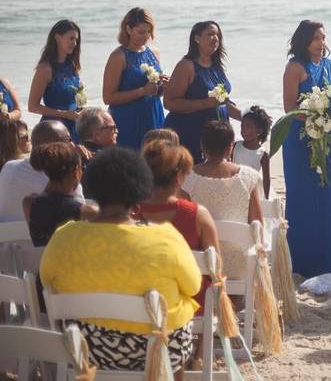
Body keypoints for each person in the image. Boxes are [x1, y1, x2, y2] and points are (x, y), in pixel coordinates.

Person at [39, 147, 201, 377]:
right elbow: (193, 287)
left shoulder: (64, 237)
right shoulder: (165, 238)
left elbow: (47, 281)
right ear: (140, 189)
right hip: (156, 350)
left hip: (89, 349)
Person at [281, 20, 331, 277]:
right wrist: (315, 117)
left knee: (328, 193)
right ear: (304, 40)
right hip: (300, 140)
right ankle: (303, 261)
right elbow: (289, 107)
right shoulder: (295, 68)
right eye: (316, 38)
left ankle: (329, 257)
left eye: (323, 37)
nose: (321, 43)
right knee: (304, 195)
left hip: (329, 139)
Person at [138, 139, 219, 315]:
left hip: (140, 306)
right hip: (189, 308)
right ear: (178, 177)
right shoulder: (197, 214)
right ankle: (200, 343)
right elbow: (215, 268)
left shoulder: (130, 212)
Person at [182, 121, 262, 278]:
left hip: (202, 263)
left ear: (202, 146)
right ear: (230, 147)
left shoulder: (187, 179)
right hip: (240, 264)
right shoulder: (249, 177)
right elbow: (257, 224)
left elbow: (186, 227)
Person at [164, 21, 241, 162]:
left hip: (216, 134)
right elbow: (169, 103)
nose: (216, 38)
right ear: (197, 38)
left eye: (218, 35)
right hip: (190, 131)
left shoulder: (216, 65)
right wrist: (206, 103)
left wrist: (247, 117)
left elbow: (222, 103)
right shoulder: (186, 66)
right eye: (210, 34)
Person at [102, 7, 168, 149]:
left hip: (153, 114)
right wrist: (142, 91)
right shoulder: (118, 56)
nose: (146, 36)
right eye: (141, 32)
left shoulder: (154, 52)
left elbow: (156, 91)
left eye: (149, 31)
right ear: (128, 29)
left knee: (157, 163)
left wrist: (163, 87)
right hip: (128, 119)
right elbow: (108, 98)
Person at [0, 120, 83, 222]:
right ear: (54, 146)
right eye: (68, 139)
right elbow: (80, 216)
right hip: (42, 236)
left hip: (5, 235)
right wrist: (75, 161)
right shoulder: (61, 178)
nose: (72, 144)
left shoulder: (9, 167)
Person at [22, 142, 98, 246]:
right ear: (76, 171)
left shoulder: (28, 203)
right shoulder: (89, 212)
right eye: (82, 168)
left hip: (42, 262)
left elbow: (54, 204)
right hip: (72, 261)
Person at [28, 19, 84, 142]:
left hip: (74, 127)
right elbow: (32, 106)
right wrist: (65, 114)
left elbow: (74, 99)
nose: (75, 43)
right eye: (71, 39)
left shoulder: (72, 66)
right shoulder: (45, 69)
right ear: (58, 38)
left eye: (76, 40)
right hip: (54, 130)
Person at [233, 105, 272, 199]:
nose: (243, 130)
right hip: (234, 189)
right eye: (242, 126)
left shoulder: (262, 153)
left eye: (248, 127)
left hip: (252, 192)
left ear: (259, 130)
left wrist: (266, 198)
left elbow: (266, 179)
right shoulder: (235, 146)